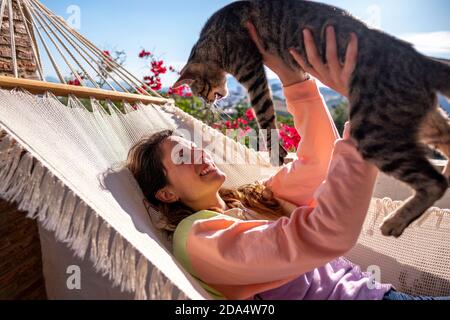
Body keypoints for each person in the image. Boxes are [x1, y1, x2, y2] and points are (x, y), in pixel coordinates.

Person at [126, 24, 449, 301]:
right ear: (166, 193)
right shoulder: (196, 238)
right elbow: (324, 234)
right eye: (182, 156)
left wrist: (295, 81)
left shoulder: (248, 198)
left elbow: (318, 162)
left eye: (193, 147)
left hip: (376, 290)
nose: (199, 153)